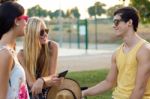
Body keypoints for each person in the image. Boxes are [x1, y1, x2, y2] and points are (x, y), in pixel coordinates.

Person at [82, 7, 150, 99]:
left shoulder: (144, 50)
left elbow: (139, 89)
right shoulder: (117, 53)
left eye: (116, 22)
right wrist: (82, 93)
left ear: (129, 22)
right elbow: (109, 82)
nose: (113, 26)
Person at [17, 17, 61, 99]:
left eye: (46, 31)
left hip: (49, 92)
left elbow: (53, 77)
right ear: (32, 34)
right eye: (41, 32)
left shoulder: (52, 47)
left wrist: (42, 80)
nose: (45, 34)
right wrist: (48, 81)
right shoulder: (21, 55)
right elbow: (32, 84)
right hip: (32, 94)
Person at [0, 1, 29, 99]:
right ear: (16, 21)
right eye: (25, 18)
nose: (26, 22)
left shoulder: (9, 50)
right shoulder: (4, 54)